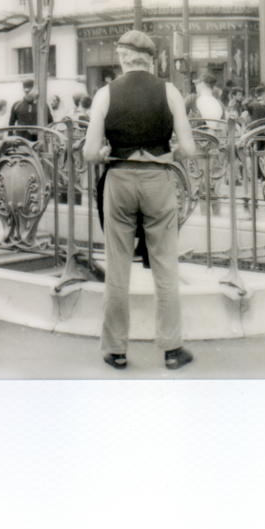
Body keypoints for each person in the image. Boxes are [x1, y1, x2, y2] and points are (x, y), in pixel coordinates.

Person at [83, 29, 196, 371]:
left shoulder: (105, 94)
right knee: (165, 266)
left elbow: (89, 153)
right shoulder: (170, 91)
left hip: (118, 180)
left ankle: (116, 349)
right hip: (158, 179)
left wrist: (105, 154)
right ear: (151, 60)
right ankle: (172, 349)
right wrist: (173, 150)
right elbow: (189, 149)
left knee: (117, 266)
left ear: (122, 58)